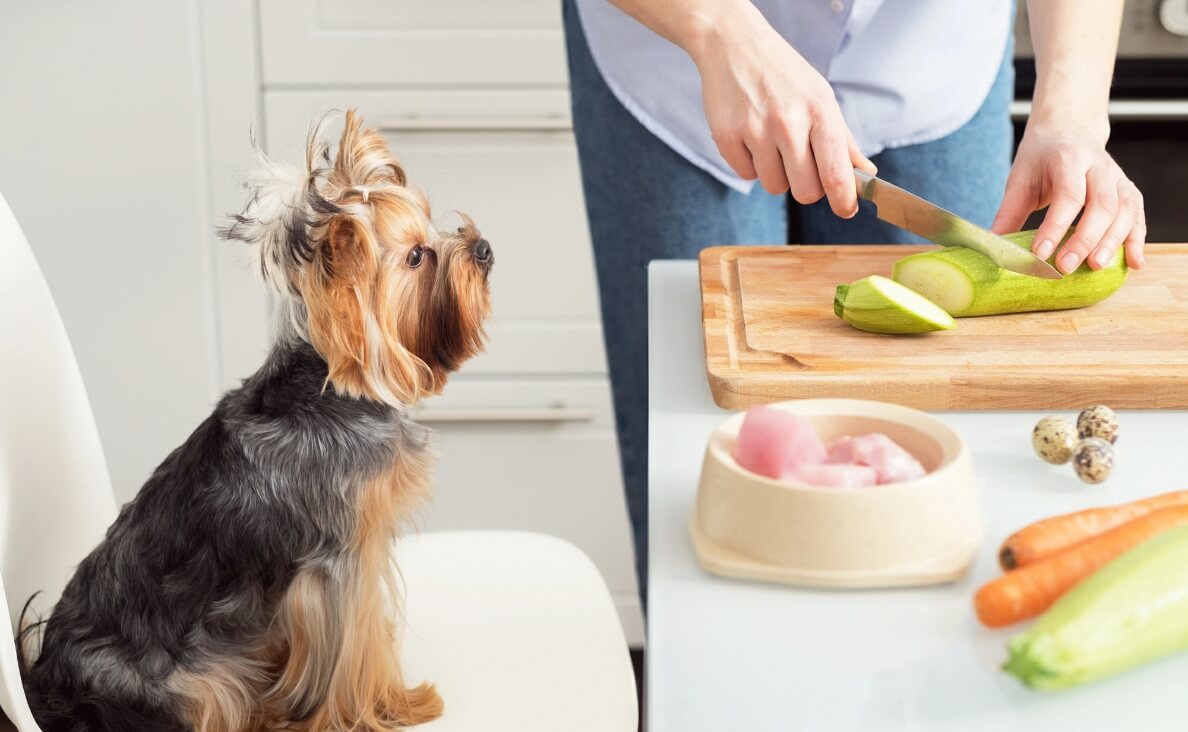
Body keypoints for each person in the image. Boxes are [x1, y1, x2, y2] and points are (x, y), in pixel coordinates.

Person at [562, 0, 1147, 605]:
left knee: (938, 466)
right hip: (672, 53)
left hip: (929, 44)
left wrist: (1071, 112)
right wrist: (717, 29)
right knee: (698, 457)